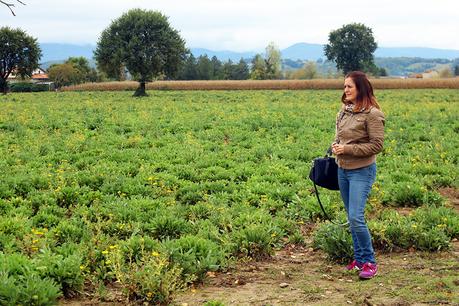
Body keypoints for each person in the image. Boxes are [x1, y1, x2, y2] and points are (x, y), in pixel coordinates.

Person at [331, 71, 385, 279]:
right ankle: (359, 260)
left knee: (356, 216)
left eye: (349, 87)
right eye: (344, 87)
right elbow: (340, 137)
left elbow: (376, 145)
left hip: (362, 171)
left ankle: (370, 262)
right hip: (342, 170)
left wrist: (348, 150)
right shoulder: (344, 112)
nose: (345, 90)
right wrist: (336, 146)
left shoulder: (373, 114)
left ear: (360, 88)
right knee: (351, 217)